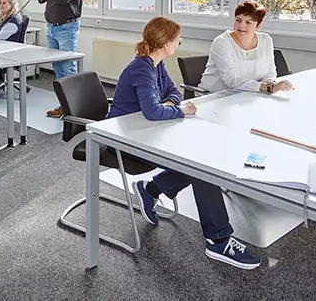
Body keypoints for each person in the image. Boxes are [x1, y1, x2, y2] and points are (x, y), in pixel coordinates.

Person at [107, 16, 261, 270]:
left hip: (145, 132)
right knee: (199, 163)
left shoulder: (156, 64)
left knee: (200, 155)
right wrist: (178, 110)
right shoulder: (141, 68)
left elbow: (173, 93)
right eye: (177, 39)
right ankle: (218, 240)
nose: (179, 42)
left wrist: (168, 105)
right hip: (122, 139)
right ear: (166, 43)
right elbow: (153, 111)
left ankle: (151, 190)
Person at [22, 0, 82, 118]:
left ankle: (77, 107)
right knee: (57, 67)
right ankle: (64, 105)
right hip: (52, 27)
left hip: (67, 27)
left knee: (68, 67)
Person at [200, 0, 294, 94]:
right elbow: (231, 80)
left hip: (248, 94)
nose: (241, 25)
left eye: (248, 22)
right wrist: (268, 88)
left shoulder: (266, 40)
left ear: (258, 26)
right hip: (213, 96)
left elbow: (270, 72)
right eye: (238, 20)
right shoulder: (222, 42)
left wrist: (271, 83)